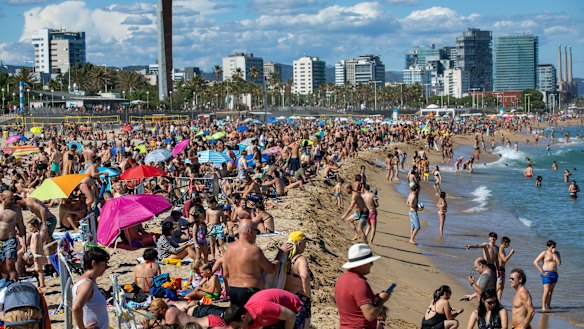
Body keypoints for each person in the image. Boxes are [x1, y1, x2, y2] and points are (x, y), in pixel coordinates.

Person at [223, 219, 292, 307]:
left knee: (237, 318)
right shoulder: (253, 250)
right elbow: (271, 269)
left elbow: (225, 273)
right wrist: (280, 253)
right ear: (250, 232)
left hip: (232, 290)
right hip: (249, 291)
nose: (257, 235)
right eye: (256, 232)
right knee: (251, 318)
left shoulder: (229, 248)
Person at [335, 244, 391, 329]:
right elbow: (370, 315)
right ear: (361, 264)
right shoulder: (359, 283)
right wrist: (381, 301)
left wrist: (373, 299)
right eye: (370, 262)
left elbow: (353, 303)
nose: (372, 264)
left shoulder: (342, 279)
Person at [223, 288, 306, 329]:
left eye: (238, 328)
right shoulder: (247, 322)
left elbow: (291, 316)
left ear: (243, 317)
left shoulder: (262, 308)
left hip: (295, 309)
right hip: (276, 316)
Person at [72, 247, 110, 329]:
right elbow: (76, 308)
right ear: (94, 263)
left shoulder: (85, 281)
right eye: (104, 264)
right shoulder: (87, 284)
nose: (106, 267)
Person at [284, 231, 313, 328]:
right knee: (303, 324)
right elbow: (304, 276)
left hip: (286, 295)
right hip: (299, 297)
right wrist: (307, 294)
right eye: (305, 243)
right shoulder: (301, 259)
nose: (305, 246)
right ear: (300, 244)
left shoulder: (286, 258)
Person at [142, 298, 225, 329]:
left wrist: (150, 326)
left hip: (210, 324)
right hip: (209, 321)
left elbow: (168, 328)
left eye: (152, 312)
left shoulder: (170, 313)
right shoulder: (168, 313)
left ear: (161, 310)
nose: (151, 314)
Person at [0, 190, 26, 281]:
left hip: (10, 240)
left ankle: (14, 285)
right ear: (3, 198)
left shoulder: (16, 210)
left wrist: (24, 241)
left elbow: (21, 226)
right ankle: (6, 285)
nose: (13, 201)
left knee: (10, 265)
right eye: (10, 199)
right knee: (2, 265)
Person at [532, 240, 561, 312]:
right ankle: (543, 306)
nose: (553, 248)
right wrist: (542, 271)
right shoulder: (544, 253)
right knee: (546, 290)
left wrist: (554, 254)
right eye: (552, 247)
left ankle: (548, 306)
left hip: (554, 274)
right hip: (547, 274)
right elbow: (535, 262)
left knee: (551, 291)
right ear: (548, 246)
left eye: (554, 246)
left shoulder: (557, 253)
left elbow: (559, 263)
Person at [496, 237, 515, 302]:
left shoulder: (502, 249)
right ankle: (490, 298)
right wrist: (511, 253)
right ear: (504, 243)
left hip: (502, 270)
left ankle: (498, 302)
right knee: (499, 286)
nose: (509, 245)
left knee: (501, 287)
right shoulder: (500, 249)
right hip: (499, 269)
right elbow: (504, 259)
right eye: (508, 243)